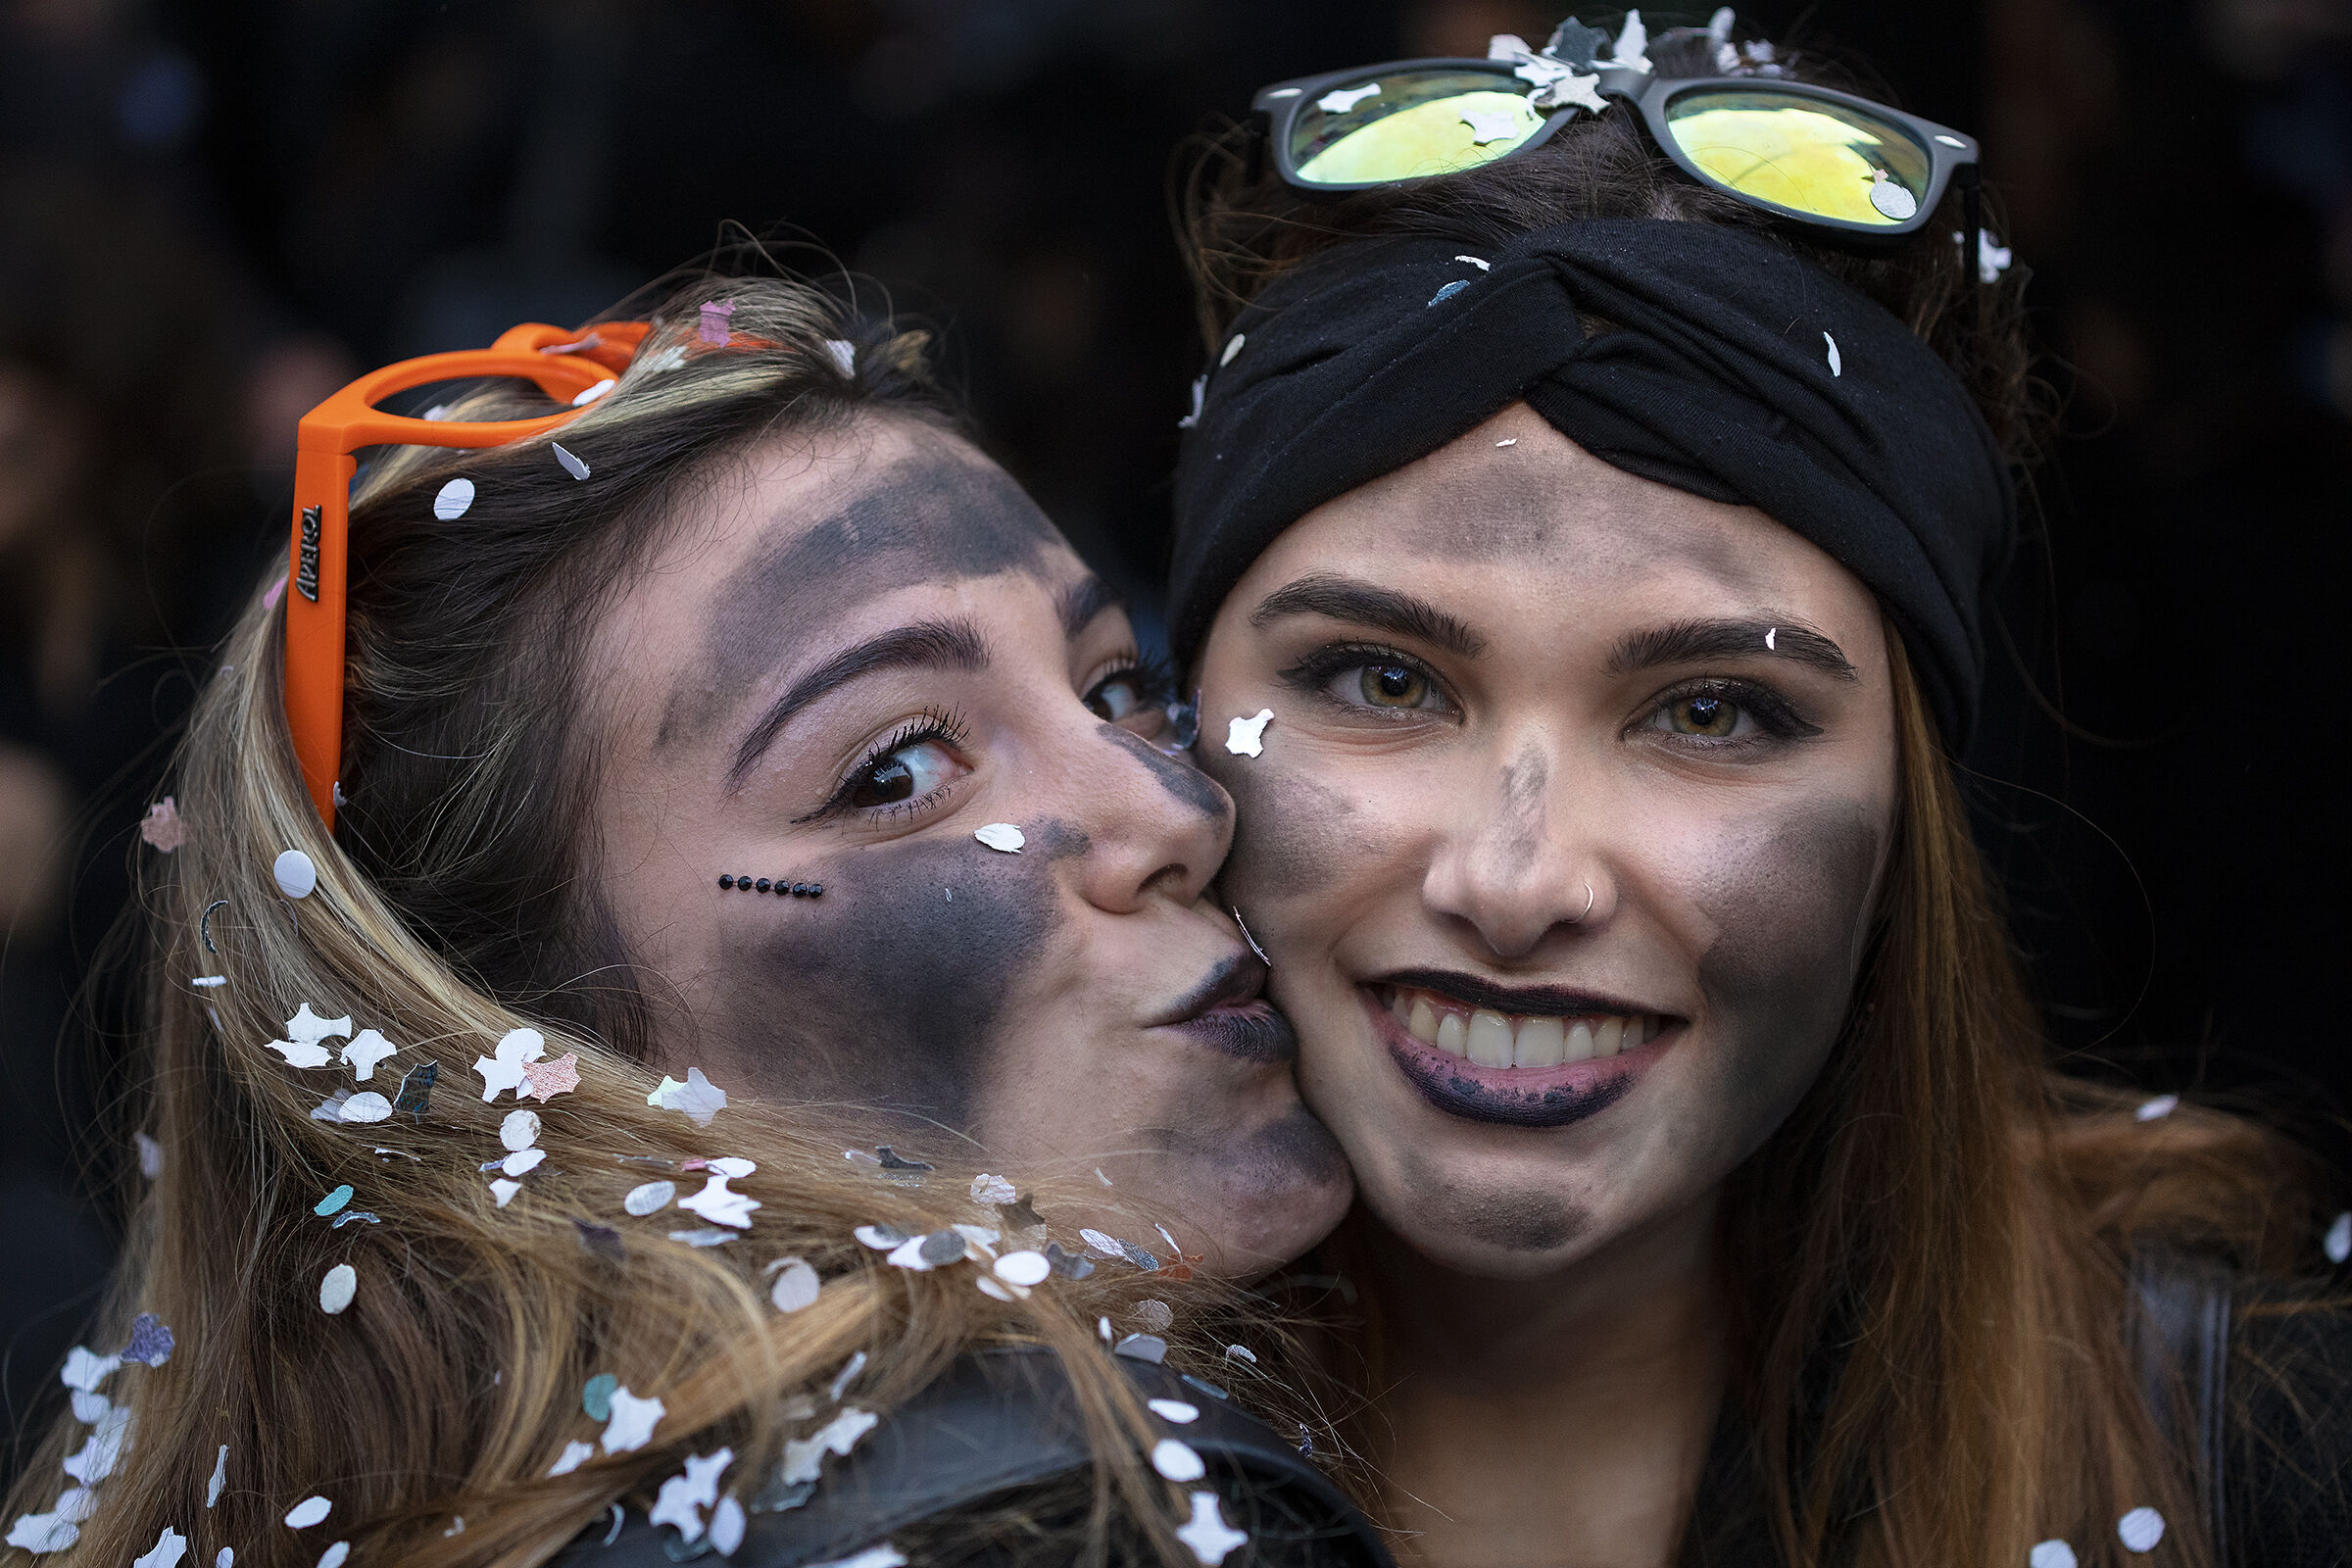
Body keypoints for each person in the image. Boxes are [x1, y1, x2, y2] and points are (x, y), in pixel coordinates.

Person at [1168, 14, 2348, 1566]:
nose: (1519, 884)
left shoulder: (2261, 1459)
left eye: (1712, 709)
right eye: (1384, 682)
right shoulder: (928, 1467)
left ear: (1914, 801)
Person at [1, 270, 1384, 1568]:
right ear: (522, 1037)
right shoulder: (1057, 1524)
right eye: (892, 769)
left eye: (1116, 683)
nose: (1171, 813)